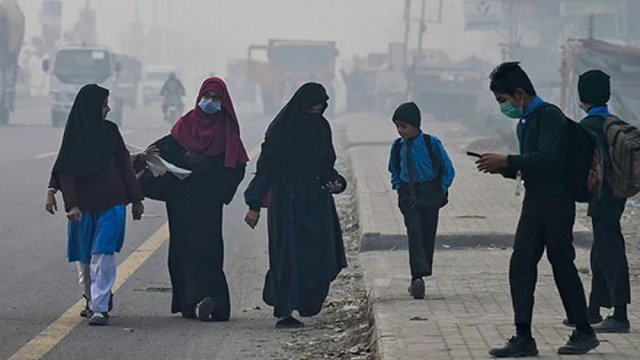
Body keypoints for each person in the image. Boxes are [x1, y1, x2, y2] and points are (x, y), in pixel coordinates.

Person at [476, 62, 599, 357]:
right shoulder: (525, 122)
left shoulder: (550, 116)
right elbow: (532, 164)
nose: (503, 107)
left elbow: (546, 161)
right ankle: (523, 337)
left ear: (519, 94)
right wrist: (503, 168)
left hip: (557, 203)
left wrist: (507, 160)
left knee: (562, 265)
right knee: (521, 266)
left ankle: (584, 330)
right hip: (534, 202)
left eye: (503, 101)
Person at [140, 77, 248, 321]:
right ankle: (188, 302)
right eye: (206, 96)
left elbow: (237, 167)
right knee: (181, 250)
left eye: (215, 98)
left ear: (224, 102)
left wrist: (210, 169)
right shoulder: (185, 124)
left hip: (209, 201)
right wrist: (175, 160)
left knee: (208, 249)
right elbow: (162, 153)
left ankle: (216, 304)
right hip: (180, 200)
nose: (209, 102)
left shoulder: (228, 132)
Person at [244, 82, 347, 329]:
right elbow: (266, 168)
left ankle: (308, 302)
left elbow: (326, 165)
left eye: (319, 110)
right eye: (310, 109)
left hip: (316, 200)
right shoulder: (281, 130)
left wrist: (338, 183)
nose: (314, 114)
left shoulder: (322, 127)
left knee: (320, 253)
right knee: (287, 256)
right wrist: (254, 204)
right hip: (286, 200)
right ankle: (284, 312)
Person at [45, 84, 145, 326]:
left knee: (103, 253)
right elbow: (65, 170)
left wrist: (136, 199)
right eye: (104, 105)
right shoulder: (74, 136)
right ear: (91, 108)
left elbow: (124, 165)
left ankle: (100, 307)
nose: (108, 109)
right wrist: (71, 205)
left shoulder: (111, 132)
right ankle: (91, 299)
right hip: (83, 206)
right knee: (84, 258)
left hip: (112, 203)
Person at [574, 70, 630, 333]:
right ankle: (594, 309)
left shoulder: (587, 127)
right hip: (617, 196)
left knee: (611, 251)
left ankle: (620, 315)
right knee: (601, 250)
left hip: (602, 197)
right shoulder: (615, 122)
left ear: (582, 97)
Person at [388, 102, 455, 299]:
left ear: (415, 125)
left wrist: (440, 189)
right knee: (414, 231)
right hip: (408, 193)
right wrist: (399, 187)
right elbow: (394, 169)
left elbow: (448, 169)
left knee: (427, 233)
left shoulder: (430, 143)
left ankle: (421, 273)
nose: (401, 131)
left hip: (430, 193)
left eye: (404, 126)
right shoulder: (397, 146)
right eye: (397, 126)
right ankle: (417, 277)